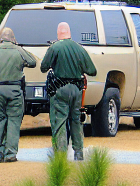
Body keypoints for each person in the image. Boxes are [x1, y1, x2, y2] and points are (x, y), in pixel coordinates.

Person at [40, 21, 98, 160]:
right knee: (76, 121)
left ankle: (60, 157)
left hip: (59, 90)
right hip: (77, 91)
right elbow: (92, 70)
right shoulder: (79, 48)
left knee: (59, 122)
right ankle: (79, 153)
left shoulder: (55, 47)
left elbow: (43, 67)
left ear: (58, 33)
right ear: (69, 33)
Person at [0, 28, 37, 163]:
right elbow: (33, 61)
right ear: (13, 39)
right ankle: (10, 154)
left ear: (1, 38)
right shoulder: (17, 50)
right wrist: (18, 46)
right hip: (14, 90)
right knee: (14, 121)